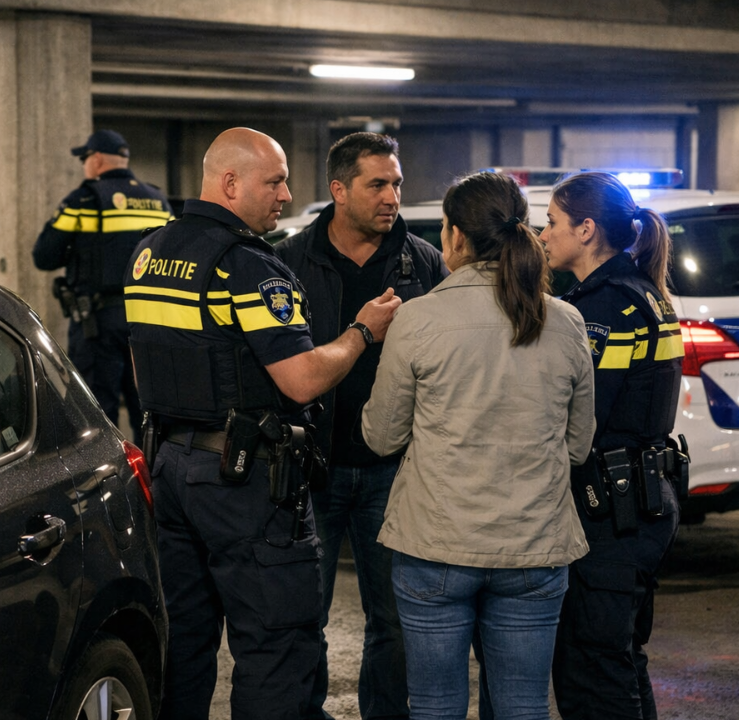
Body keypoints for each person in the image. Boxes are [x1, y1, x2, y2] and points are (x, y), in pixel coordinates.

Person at [125, 126, 402, 720]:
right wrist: (360, 333)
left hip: (170, 471)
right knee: (277, 643)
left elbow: (141, 364)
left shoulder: (149, 253)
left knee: (186, 639)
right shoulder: (250, 267)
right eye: (274, 181)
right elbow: (300, 379)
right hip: (240, 480)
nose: (285, 193)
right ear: (230, 183)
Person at [360, 171, 595, 720]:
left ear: (456, 238)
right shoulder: (565, 322)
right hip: (534, 548)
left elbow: (382, 435)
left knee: (436, 706)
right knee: (522, 706)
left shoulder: (417, 319)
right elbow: (578, 445)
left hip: (436, 546)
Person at [276, 131, 447, 720]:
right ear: (339, 190)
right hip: (310, 470)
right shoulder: (289, 260)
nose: (392, 197)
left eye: (397, 184)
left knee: (394, 621)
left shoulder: (422, 264)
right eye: (378, 184)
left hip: (392, 472)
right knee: (304, 617)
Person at [540, 172, 684, 720]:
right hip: (642, 500)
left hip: (612, 511)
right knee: (619, 659)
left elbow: (583, 419)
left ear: (586, 229)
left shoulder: (603, 309)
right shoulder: (640, 292)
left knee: (592, 667)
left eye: (553, 223)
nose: (544, 234)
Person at [33, 129, 173, 443]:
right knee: (150, 409)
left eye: (84, 159)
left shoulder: (84, 200)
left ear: (96, 161)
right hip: (151, 320)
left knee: (98, 412)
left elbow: (44, 255)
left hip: (99, 322)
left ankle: (112, 485)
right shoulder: (158, 199)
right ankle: (155, 480)